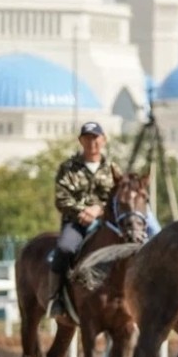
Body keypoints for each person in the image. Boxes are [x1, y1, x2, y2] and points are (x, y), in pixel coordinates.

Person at [48, 121, 121, 318]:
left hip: (107, 223)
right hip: (76, 222)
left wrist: (99, 210)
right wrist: (83, 211)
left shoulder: (113, 169)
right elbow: (61, 198)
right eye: (87, 138)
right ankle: (56, 298)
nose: (92, 142)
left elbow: (119, 198)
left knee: (132, 249)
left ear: (104, 140)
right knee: (64, 249)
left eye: (96, 137)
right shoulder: (68, 168)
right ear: (81, 141)